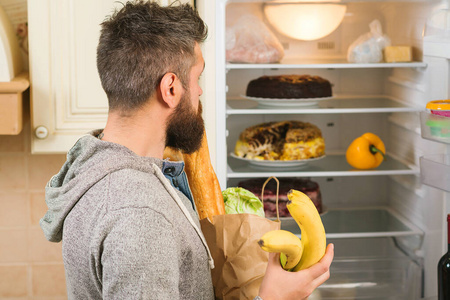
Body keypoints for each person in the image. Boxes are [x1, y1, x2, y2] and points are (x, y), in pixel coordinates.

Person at [39, 1, 334, 299]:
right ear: (170, 89)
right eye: (197, 78)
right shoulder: (140, 214)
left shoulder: (94, 169)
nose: (200, 92)